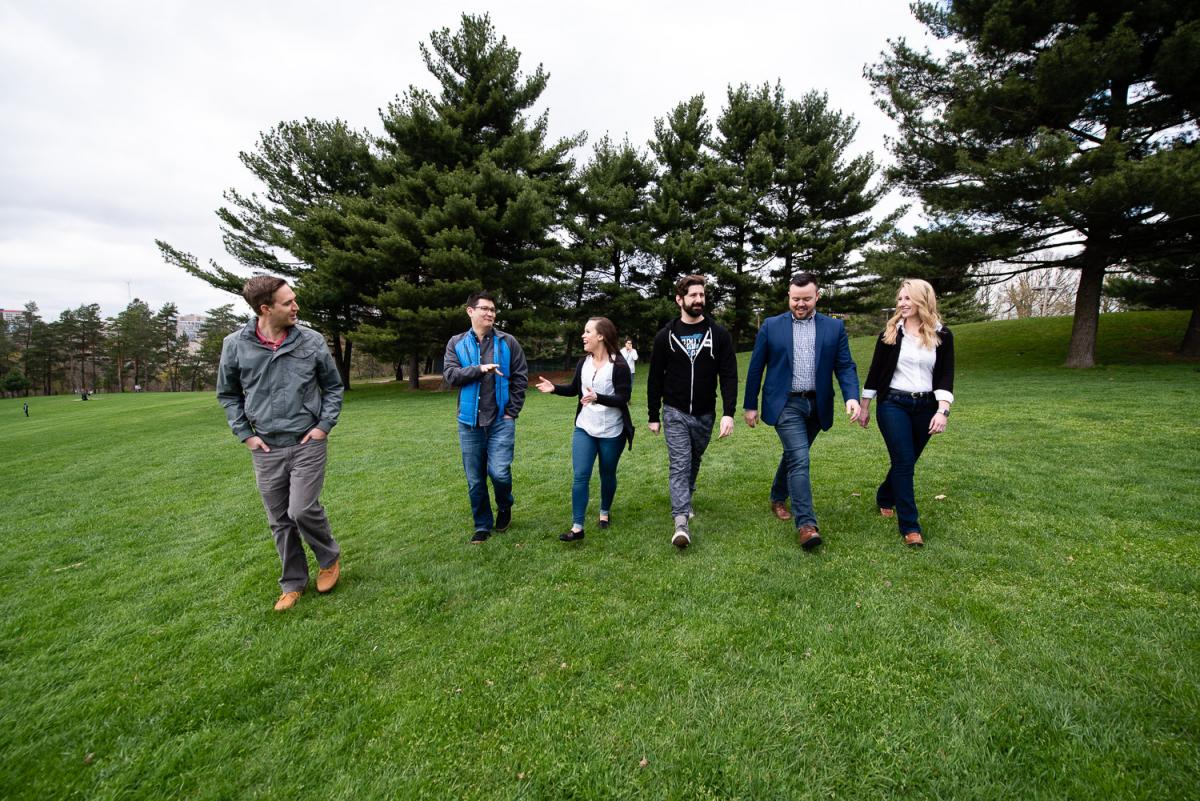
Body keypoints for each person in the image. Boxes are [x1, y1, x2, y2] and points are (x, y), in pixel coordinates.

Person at [217, 276, 345, 611]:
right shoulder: (235, 345)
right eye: (288, 302)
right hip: (266, 448)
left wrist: (323, 426)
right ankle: (292, 582)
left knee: (301, 509)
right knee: (280, 520)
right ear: (265, 308)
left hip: (307, 441)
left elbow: (333, 387)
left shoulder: (311, 340)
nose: (295, 307)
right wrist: (245, 433)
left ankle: (329, 558)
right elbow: (228, 395)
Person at [743, 273, 860, 551]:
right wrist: (750, 405)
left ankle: (777, 495)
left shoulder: (834, 328)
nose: (801, 304)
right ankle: (807, 525)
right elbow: (756, 368)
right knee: (800, 458)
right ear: (789, 297)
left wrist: (851, 397)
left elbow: (844, 366)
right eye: (796, 299)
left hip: (818, 405)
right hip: (785, 404)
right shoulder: (771, 326)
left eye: (806, 299)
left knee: (795, 455)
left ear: (817, 296)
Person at [856, 279, 955, 548]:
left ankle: (885, 496)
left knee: (907, 461)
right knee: (903, 461)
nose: (902, 303)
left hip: (925, 407)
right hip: (893, 404)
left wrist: (943, 411)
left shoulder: (942, 335)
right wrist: (865, 405)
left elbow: (946, 375)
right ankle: (911, 527)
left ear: (923, 301)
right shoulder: (890, 333)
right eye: (900, 298)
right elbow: (875, 372)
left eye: (908, 298)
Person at [646, 274, 738, 549]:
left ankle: (686, 497)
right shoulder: (666, 336)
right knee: (680, 463)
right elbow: (654, 378)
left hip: (705, 413)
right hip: (674, 411)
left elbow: (729, 375)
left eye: (702, 295)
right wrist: (653, 414)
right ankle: (681, 522)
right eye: (693, 295)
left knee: (693, 460)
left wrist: (728, 412)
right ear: (679, 300)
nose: (699, 300)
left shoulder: (718, 335)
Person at [534, 317, 634, 542]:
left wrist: (598, 397)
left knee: (607, 474)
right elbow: (573, 390)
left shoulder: (618, 365)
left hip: (612, 431)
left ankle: (604, 512)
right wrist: (554, 389)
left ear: (601, 336)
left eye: (588, 331)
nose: (583, 335)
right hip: (585, 428)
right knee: (580, 476)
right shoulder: (584, 363)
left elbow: (623, 397)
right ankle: (577, 527)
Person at [443, 291, 529, 543]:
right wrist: (479, 369)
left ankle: (505, 506)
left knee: (500, 472)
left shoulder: (508, 342)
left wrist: (512, 411)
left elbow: (520, 377)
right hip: (469, 423)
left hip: (501, 421)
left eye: (493, 309)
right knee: (475, 479)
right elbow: (450, 375)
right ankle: (482, 524)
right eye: (485, 309)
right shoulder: (456, 343)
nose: (490, 313)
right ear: (470, 311)